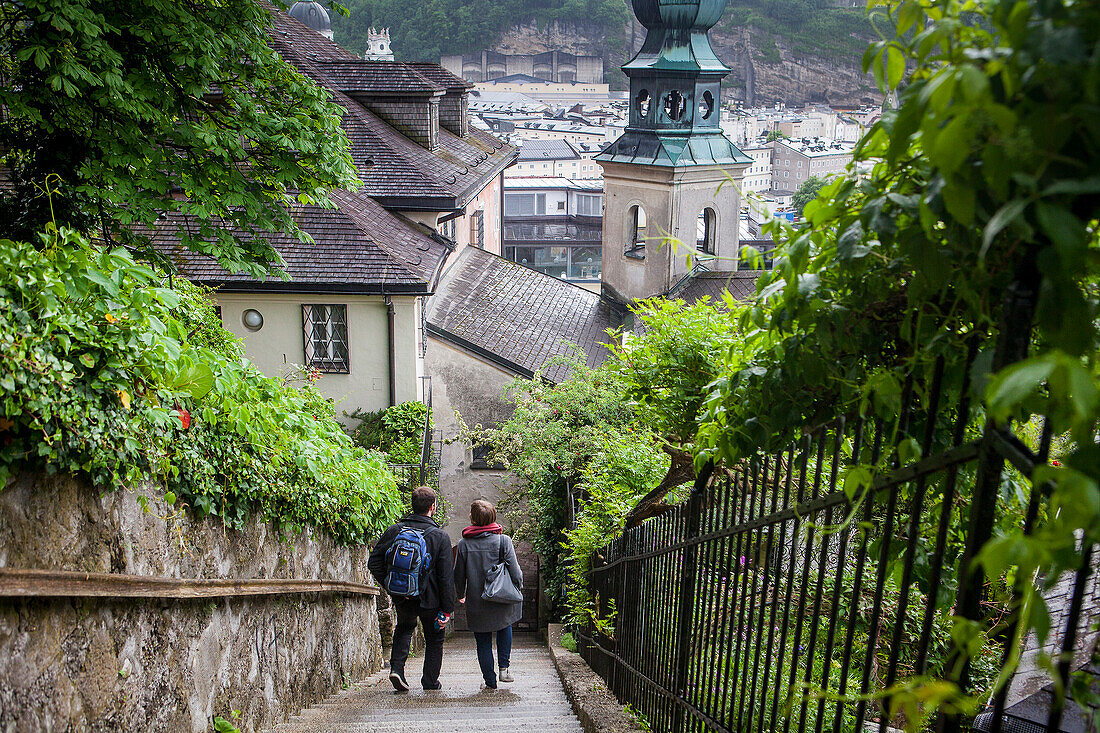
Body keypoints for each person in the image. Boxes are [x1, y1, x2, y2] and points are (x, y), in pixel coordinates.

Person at [368, 486, 455, 692]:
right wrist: (447, 608)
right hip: (431, 599)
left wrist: (392, 586)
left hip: (403, 595)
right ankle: (430, 681)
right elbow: (445, 577)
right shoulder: (440, 537)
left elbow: (374, 562)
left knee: (405, 628)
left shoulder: (395, 530)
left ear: (412, 505)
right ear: (433, 507)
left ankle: (397, 669)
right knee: (434, 639)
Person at [454, 499, 523, 690]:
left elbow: (458, 574)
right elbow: (515, 571)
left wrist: (460, 594)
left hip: (478, 600)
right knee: (505, 626)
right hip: (502, 596)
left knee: (482, 640)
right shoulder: (504, 541)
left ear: (473, 519)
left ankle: (490, 681)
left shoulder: (464, 544)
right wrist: (518, 586)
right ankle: (504, 668)